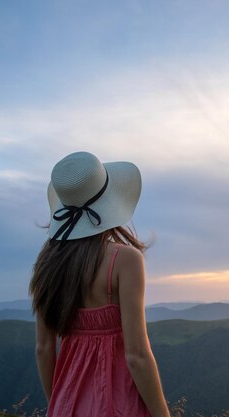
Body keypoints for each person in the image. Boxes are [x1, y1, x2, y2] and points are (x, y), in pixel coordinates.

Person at [29, 151, 170, 417]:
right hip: (119, 403)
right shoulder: (125, 260)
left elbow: (43, 349)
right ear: (109, 201)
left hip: (65, 404)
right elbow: (137, 355)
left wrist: (59, 403)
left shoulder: (46, 264)